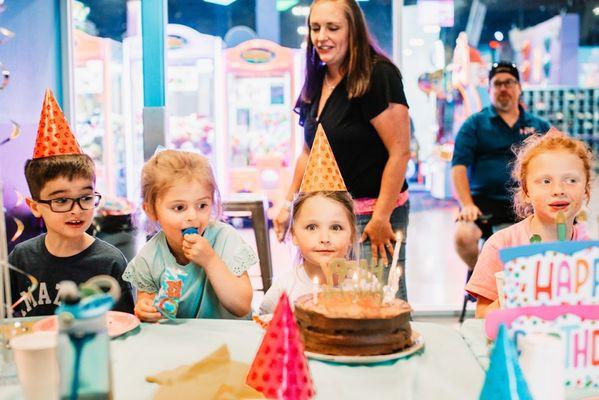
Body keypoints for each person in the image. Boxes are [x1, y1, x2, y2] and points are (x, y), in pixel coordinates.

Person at [273, 0, 411, 299]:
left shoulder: (378, 75)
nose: (322, 36)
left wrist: (381, 217)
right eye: (315, 28)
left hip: (374, 215)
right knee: (330, 301)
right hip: (328, 217)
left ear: (353, 31)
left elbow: (400, 152)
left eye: (332, 28)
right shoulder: (318, 78)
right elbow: (308, 153)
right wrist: (287, 203)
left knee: (379, 302)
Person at [9, 90, 134, 317]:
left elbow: (124, 325)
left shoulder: (110, 262)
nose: (76, 210)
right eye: (62, 200)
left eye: (86, 198)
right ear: (35, 206)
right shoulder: (21, 257)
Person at [466, 131, 592, 318]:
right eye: (546, 181)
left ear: (586, 190)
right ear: (526, 191)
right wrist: (520, 291)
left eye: (571, 180)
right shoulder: (501, 245)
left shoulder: (589, 247)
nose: (558, 190)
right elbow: (482, 316)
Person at [123, 149, 258, 321]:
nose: (193, 217)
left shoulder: (225, 239)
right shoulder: (148, 258)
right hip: (182, 343)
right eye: (179, 208)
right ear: (150, 210)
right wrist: (145, 309)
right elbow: (146, 302)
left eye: (202, 205)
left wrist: (210, 260)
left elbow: (241, 306)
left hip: (231, 340)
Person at [452, 62, 551, 272]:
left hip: (526, 203)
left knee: (556, 236)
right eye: (497, 84)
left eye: (509, 82)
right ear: (489, 89)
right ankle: (485, 280)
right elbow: (458, 167)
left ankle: (523, 288)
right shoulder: (474, 124)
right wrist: (467, 204)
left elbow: (556, 161)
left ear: (519, 88)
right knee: (463, 237)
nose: (503, 88)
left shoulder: (539, 126)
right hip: (482, 203)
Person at [259, 191, 357, 314]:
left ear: (352, 235)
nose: (325, 238)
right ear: (293, 234)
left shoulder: (366, 289)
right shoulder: (281, 293)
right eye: (312, 227)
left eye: (335, 227)